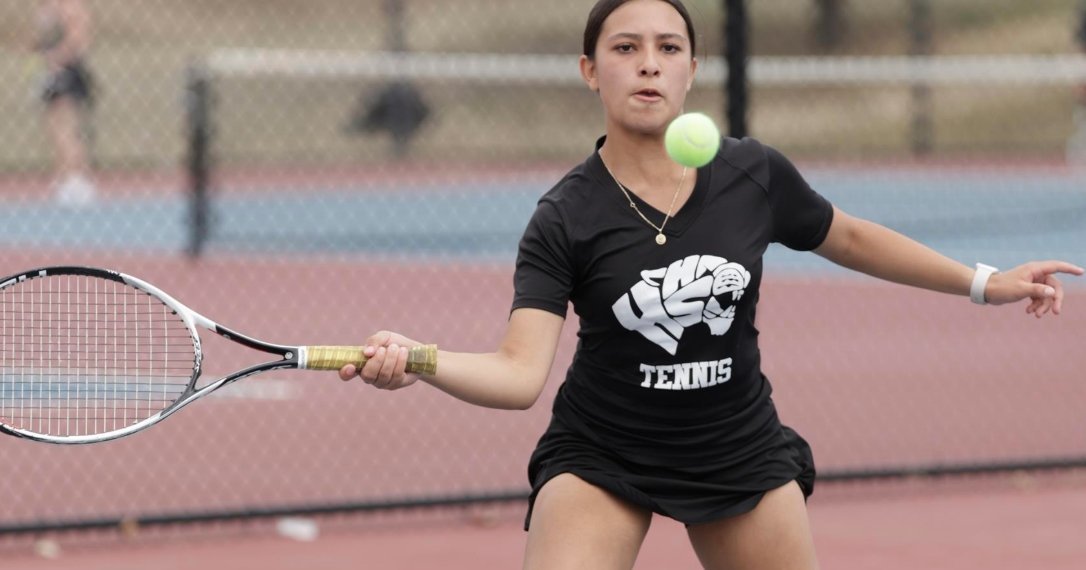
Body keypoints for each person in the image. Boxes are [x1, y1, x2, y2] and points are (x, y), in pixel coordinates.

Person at [338, 1, 1085, 568]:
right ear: (590, 70)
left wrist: (986, 282)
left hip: (736, 447)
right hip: (604, 451)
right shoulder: (564, 216)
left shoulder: (751, 174)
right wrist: (419, 360)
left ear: (692, 69)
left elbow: (852, 237)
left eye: (669, 48)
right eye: (626, 48)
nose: (650, 65)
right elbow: (517, 374)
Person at [34, 0, 96, 207]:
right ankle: (63, 174)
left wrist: (58, 57)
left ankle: (77, 178)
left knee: (67, 127)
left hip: (68, 71)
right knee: (54, 127)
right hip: (53, 70)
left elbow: (79, 40)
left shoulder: (72, 7)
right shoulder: (49, 7)